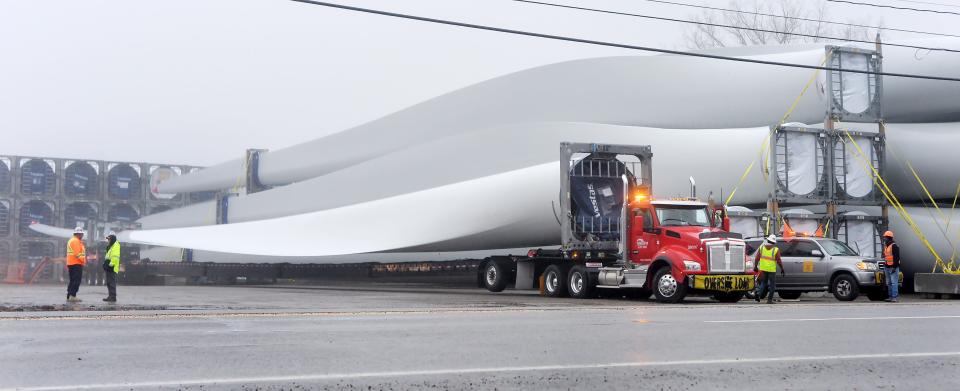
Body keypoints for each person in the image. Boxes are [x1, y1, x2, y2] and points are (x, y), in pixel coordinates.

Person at [754, 234, 785, 304]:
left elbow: (756, 258)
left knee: (763, 283)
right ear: (774, 242)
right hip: (771, 270)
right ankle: (769, 300)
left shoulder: (761, 248)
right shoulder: (775, 250)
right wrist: (782, 269)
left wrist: (755, 267)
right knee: (772, 285)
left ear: (768, 240)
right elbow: (779, 261)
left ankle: (758, 294)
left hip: (763, 269)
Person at [65, 227, 87, 302]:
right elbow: (78, 254)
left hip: (72, 263)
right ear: (78, 234)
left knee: (73, 280)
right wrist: (83, 261)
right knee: (76, 280)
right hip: (76, 263)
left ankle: (69, 295)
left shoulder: (73, 240)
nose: (82, 235)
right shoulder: (75, 241)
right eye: (81, 234)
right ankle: (72, 296)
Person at [882, 230, 901, 302]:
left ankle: (894, 297)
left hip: (893, 267)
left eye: (885, 237)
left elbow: (897, 257)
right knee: (889, 283)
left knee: (894, 282)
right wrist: (885, 265)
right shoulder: (886, 246)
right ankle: (890, 297)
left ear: (888, 237)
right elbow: (887, 256)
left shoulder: (894, 246)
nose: (884, 238)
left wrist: (894, 267)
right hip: (887, 266)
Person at [102, 233, 121, 302]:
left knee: (111, 283)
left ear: (112, 239)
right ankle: (110, 296)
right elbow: (108, 256)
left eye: (109, 239)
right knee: (109, 283)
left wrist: (110, 265)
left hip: (112, 267)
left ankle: (112, 297)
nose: (108, 241)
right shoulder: (111, 246)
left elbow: (115, 257)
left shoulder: (115, 246)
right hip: (110, 267)